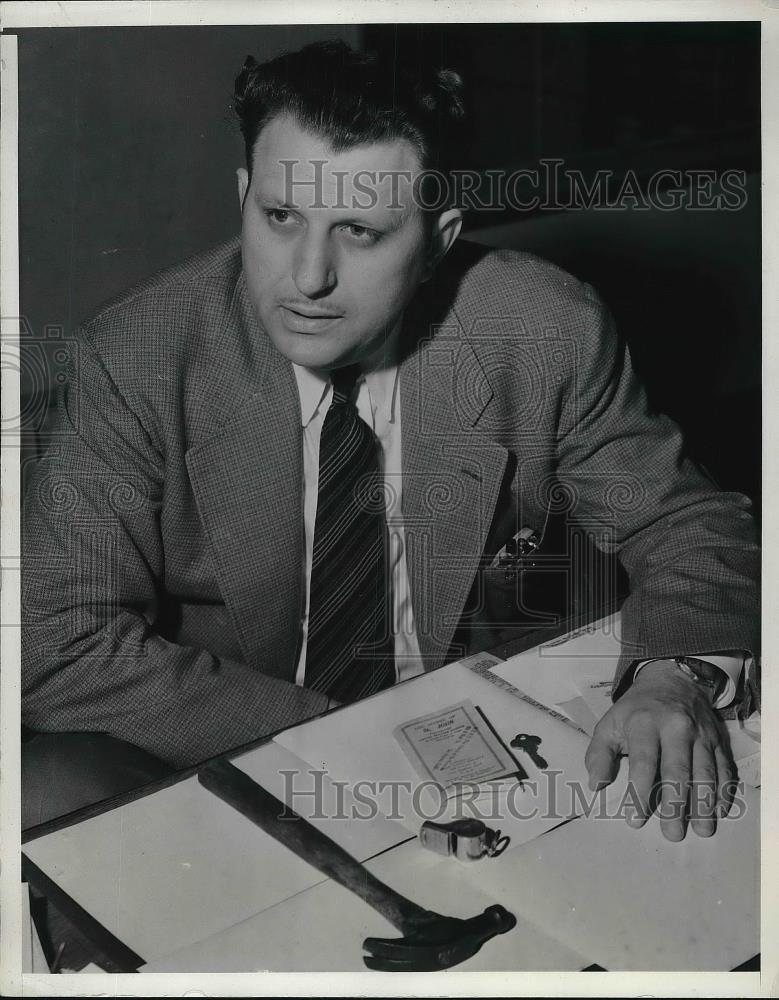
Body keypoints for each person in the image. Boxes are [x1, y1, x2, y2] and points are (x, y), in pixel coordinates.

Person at [22, 40, 759, 839]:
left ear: (438, 239)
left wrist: (674, 673)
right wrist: (348, 744)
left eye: (360, 232)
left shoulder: (540, 326)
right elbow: (60, 639)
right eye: (279, 217)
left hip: (479, 735)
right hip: (226, 740)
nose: (306, 277)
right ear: (243, 195)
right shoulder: (136, 356)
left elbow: (684, 522)